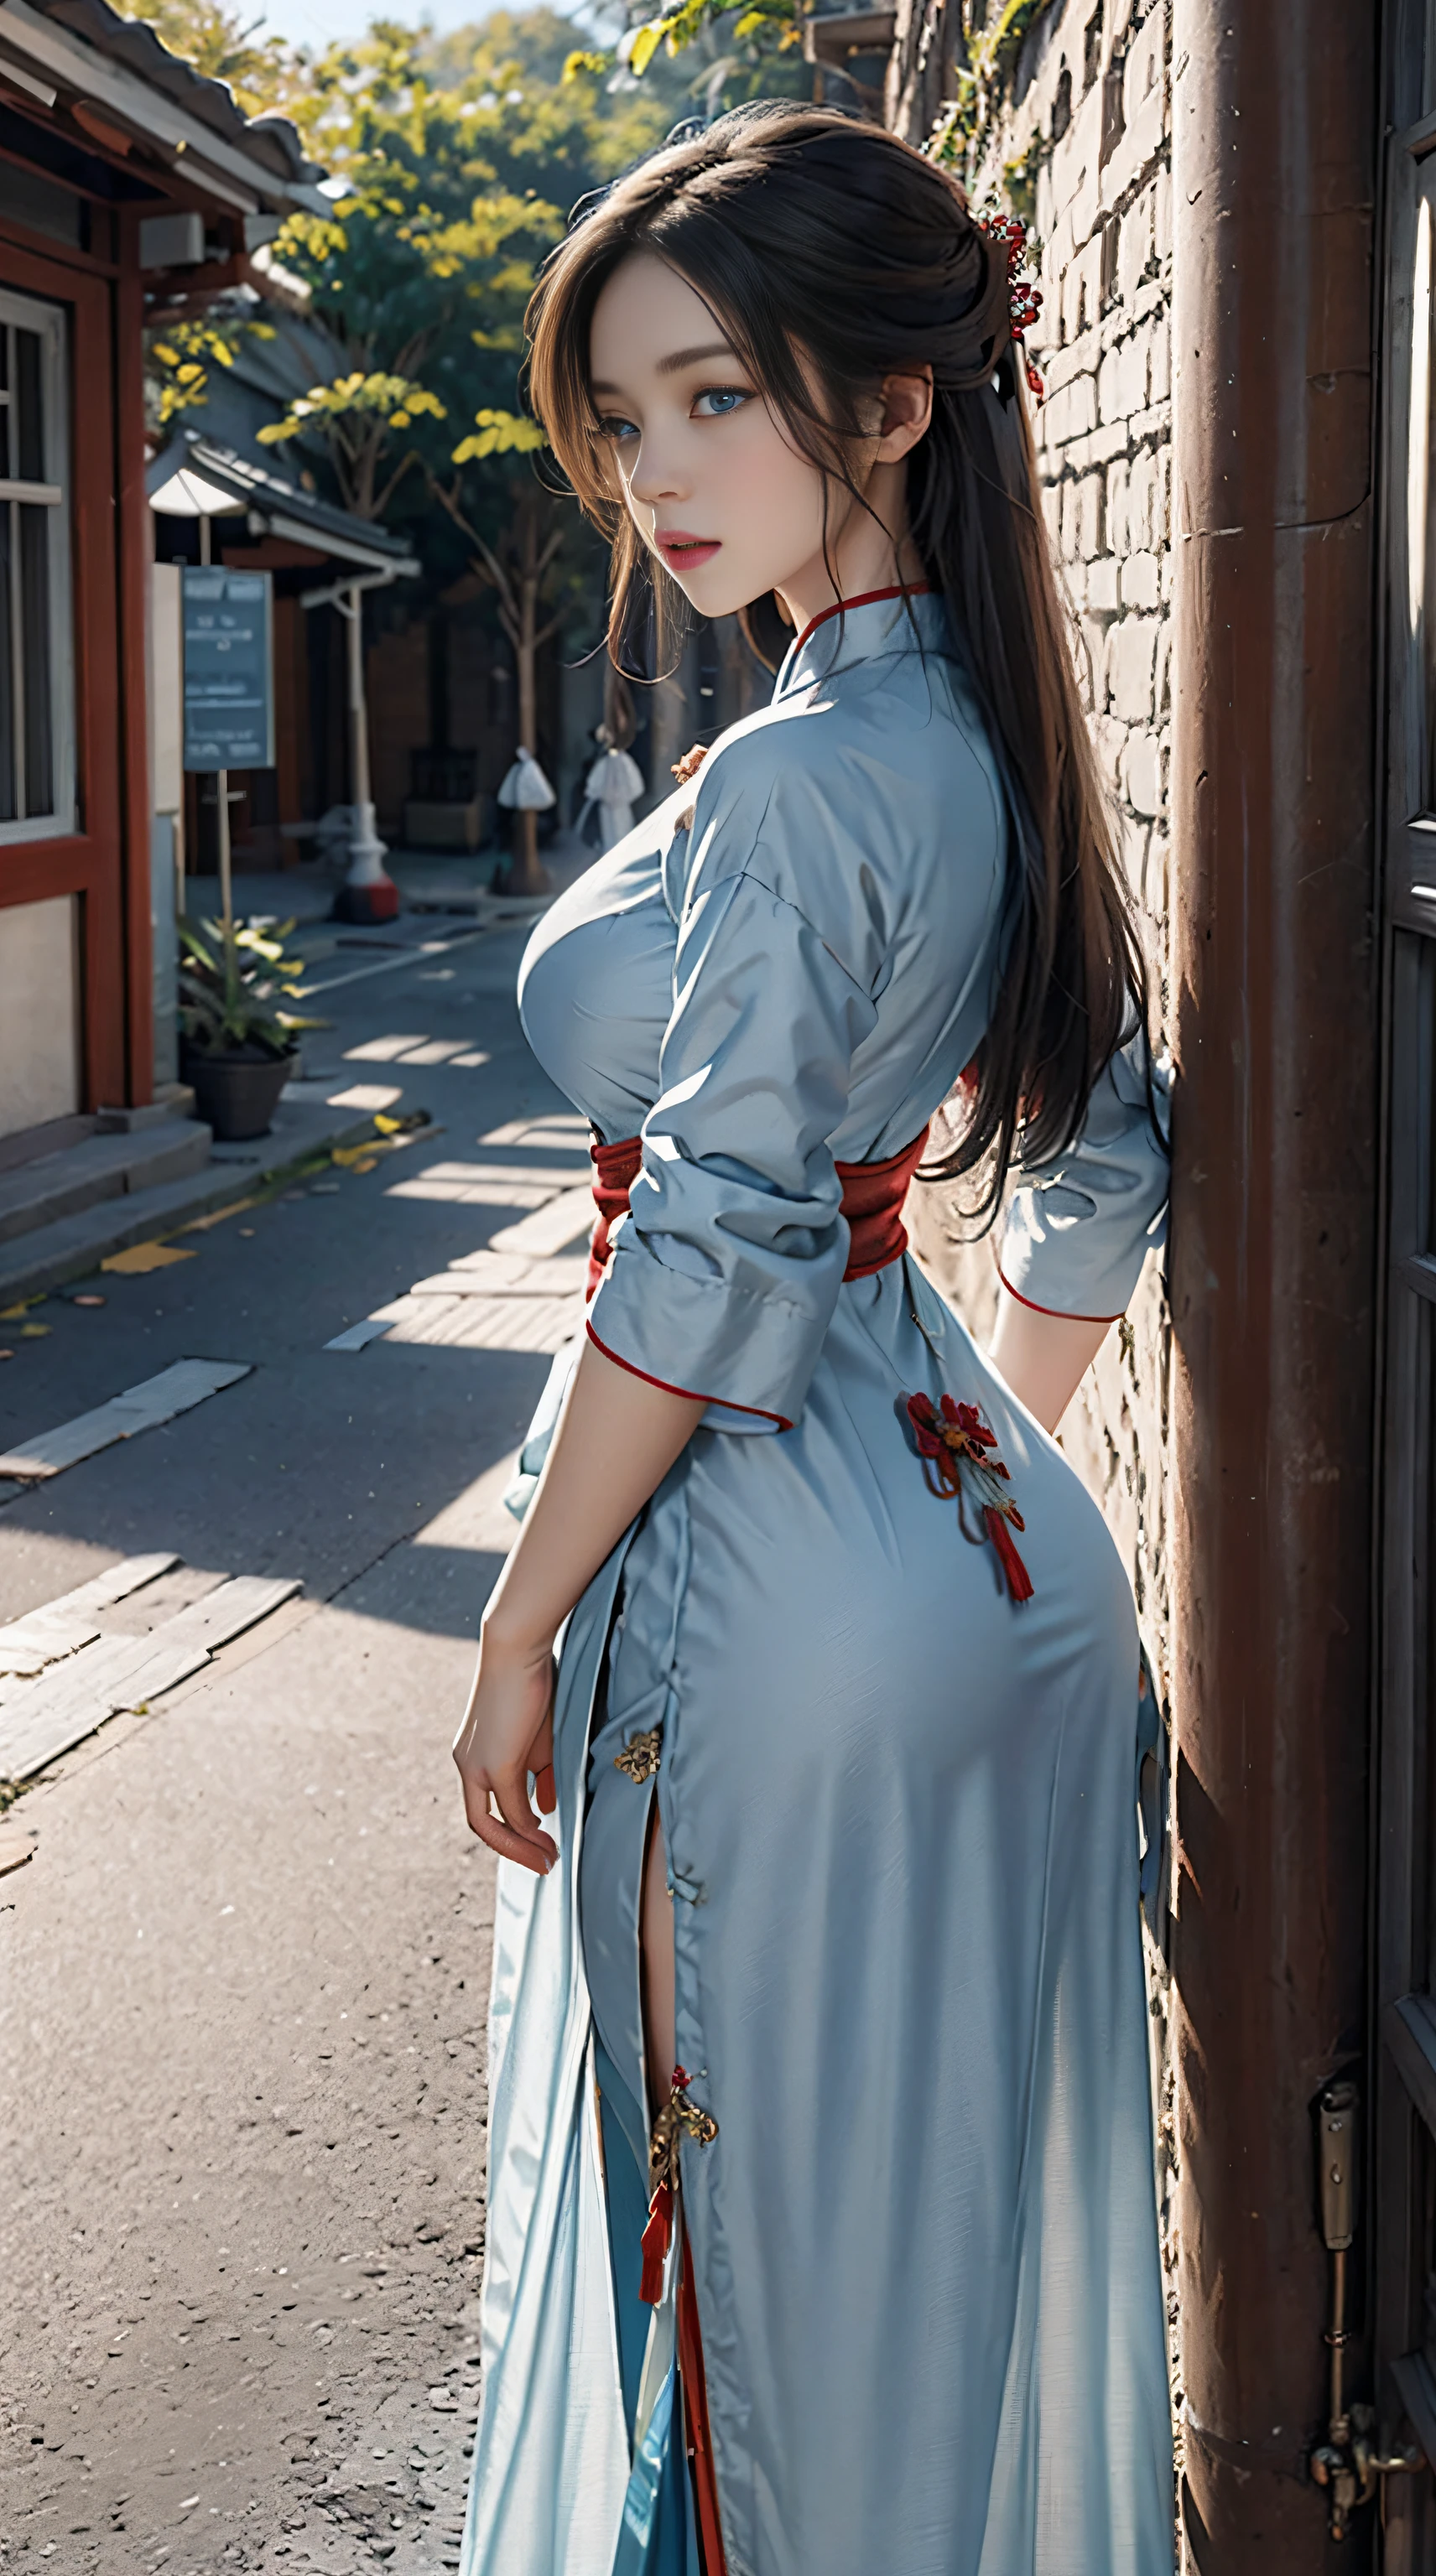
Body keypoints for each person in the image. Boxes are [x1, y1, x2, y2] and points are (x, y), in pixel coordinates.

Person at [453, 104, 1174, 2576]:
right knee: (908, 2322)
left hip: (765, 1630)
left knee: (734, 2344)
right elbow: (1120, 1149)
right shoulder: (991, 742)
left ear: (890, 403)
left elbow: (713, 1244)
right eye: (622, 416)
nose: (656, 467)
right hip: (988, 1586)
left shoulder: (794, 782)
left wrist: (517, 1621)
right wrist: (954, 1454)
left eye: (714, 398)